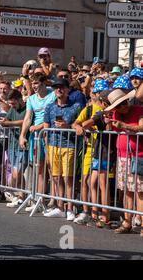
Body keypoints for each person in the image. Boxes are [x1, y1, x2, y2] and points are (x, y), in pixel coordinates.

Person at [104, 89, 143, 235]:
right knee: (126, 190)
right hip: (122, 156)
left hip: (137, 156)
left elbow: (142, 126)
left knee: (140, 192)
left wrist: (125, 126)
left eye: (124, 102)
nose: (123, 106)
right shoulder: (115, 114)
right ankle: (127, 222)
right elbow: (110, 130)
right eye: (119, 105)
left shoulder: (139, 109)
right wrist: (107, 122)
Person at [43, 78, 82, 220]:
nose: (59, 89)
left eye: (62, 87)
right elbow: (45, 129)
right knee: (56, 177)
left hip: (69, 145)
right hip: (53, 145)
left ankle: (70, 208)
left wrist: (68, 126)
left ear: (67, 90)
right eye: (56, 87)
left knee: (68, 179)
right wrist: (46, 149)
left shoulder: (76, 106)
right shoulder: (50, 107)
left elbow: (79, 125)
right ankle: (60, 207)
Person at [72, 79, 109, 225]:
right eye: (96, 93)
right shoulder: (88, 109)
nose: (97, 96)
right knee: (87, 181)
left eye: (100, 93)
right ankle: (89, 211)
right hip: (91, 150)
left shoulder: (105, 110)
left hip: (105, 149)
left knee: (102, 183)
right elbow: (76, 123)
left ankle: (104, 213)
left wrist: (88, 127)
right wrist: (78, 128)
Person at [19, 73, 56, 212]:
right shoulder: (31, 99)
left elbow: (53, 115)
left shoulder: (52, 95)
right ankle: (40, 199)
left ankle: (53, 199)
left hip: (49, 134)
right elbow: (28, 118)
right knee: (39, 169)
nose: (34, 86)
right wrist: (22, 135)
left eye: (36, 83)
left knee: (52, 168)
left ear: (43, 83)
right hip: (36, 136)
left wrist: (40, 127)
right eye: (32, 84)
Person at [0, 89, 28, 208]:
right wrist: (3, 121)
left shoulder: (27, 108)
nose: (12, 106)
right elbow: (8, 120)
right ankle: (21, 197)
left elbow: (24, 121)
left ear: (20, 99)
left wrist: (8, 124)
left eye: (13, 103)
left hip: (22, 146)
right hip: (12, 145)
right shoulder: (12, 108)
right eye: (10, 104)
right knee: (17, 174)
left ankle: (20, 196)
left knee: (16, 174)